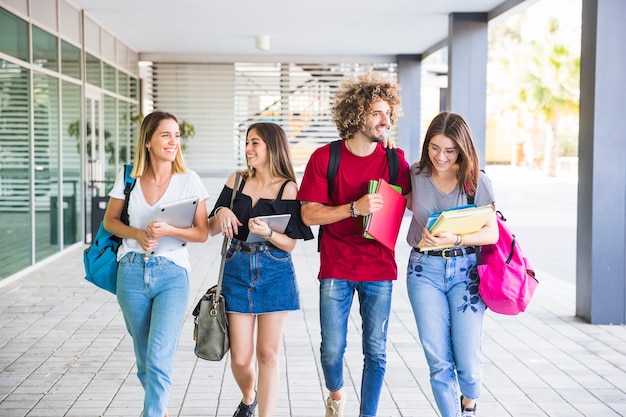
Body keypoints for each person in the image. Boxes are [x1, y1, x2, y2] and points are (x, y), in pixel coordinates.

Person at [297, 71, 411, 417]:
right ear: (356, 113)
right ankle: (336, 397)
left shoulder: (395, 159)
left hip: (379, 267)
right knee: (332, 349)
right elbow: (309, 215)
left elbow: (408, 202)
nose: (385, 120)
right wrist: (353, 209)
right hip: (337, 265)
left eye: (388, 113)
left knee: (375, 350)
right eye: (377, 113)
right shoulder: (324, 158)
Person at [103, 111, 210, 417]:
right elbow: (110, 221)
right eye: (166, 135)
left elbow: (201, 232)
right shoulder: (128, 177)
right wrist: (137, 234)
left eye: (176, 135)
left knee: (160, 356)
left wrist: (171, 230)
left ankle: (152, 412)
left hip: (172, 274)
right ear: (148, 141)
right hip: (132, 272)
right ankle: (159, 408)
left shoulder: (190, 180)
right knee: (145, 357)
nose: (173, 142)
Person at [207, 122, 313, 417]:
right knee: (240, 358)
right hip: (237, 267)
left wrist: (268, 232)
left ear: (272, 148)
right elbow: (210, 228)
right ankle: (248, 395)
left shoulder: (287, 188)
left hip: (274, 269)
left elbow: (290, 244)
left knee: (267, 354)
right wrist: (221, 211)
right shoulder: (236, 181)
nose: (248, 149)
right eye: (247, 143)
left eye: (255, 143)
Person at [405, 111, 499, 417]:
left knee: (468, 360)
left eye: (449, 150)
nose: (440, 157)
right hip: (423, 271)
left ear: (462, 149)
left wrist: (456, 239)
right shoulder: (415, 174)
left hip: (465, 272)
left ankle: (469, 401)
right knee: (438, 360)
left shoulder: (476, 181)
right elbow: (397, 202)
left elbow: (491, 232)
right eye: (434, 148)